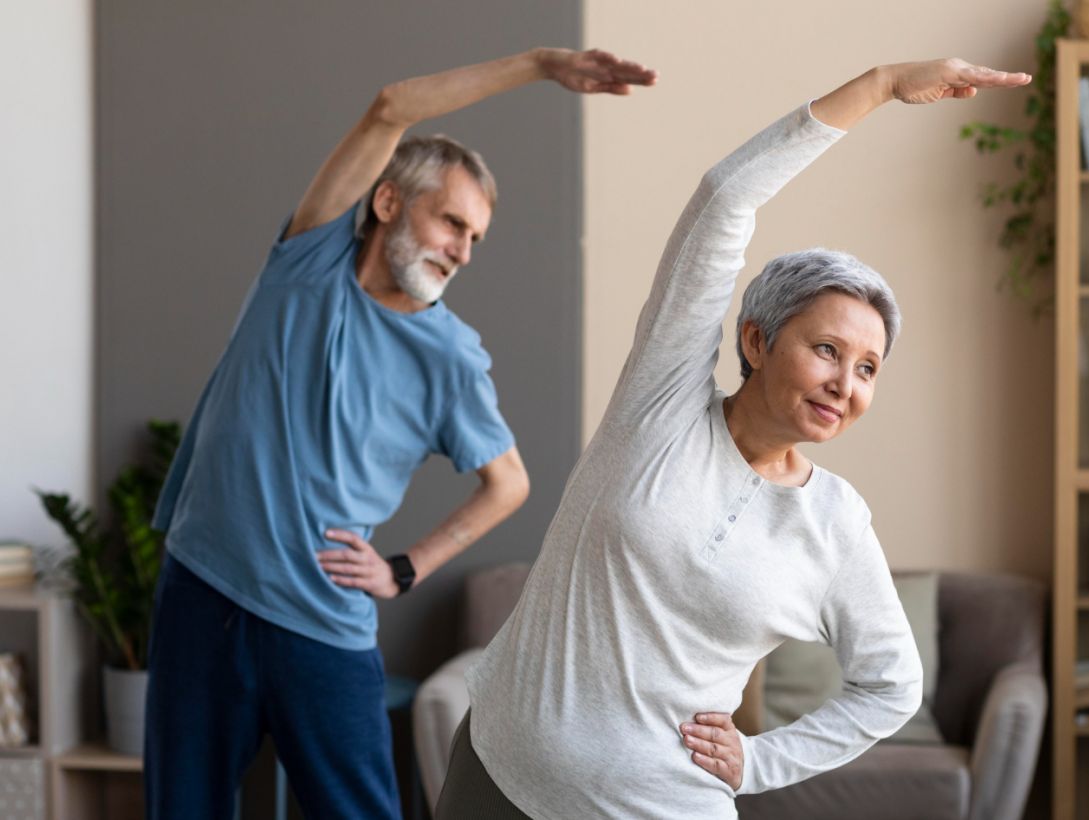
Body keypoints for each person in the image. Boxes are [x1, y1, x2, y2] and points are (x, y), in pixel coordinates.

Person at [436, 57, 1031, 819]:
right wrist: (880, 87)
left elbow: (892, 686)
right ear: (755, 340)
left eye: (868, 368)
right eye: (825, 350)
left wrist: (759, 761)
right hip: (497, 781)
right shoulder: (661, 407)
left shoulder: (835, 523)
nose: (845, 383)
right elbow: (726, 197)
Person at [143, 47, 657, 819]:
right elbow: (392, 106)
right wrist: (544, 66)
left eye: (475, 238)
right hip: (201, 594)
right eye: (452, 221)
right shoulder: (307, 259)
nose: (462, 249)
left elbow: (509, 482)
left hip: (319, 626)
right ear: (386, 202)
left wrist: (405, 568)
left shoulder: (451, 358)